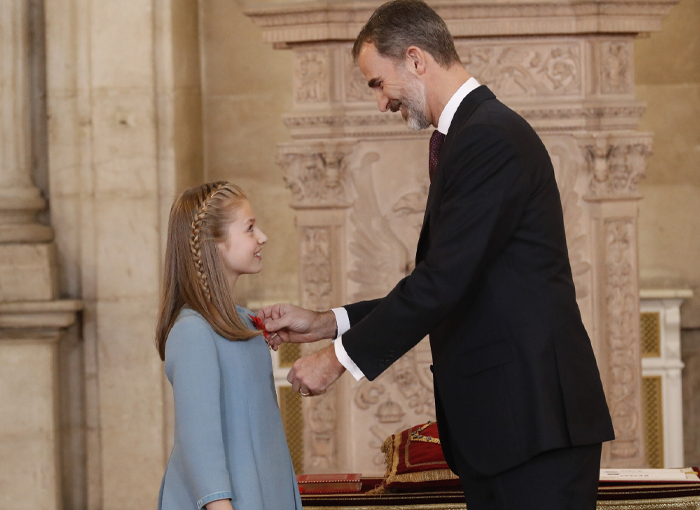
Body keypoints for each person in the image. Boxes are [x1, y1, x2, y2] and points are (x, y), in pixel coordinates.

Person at [258, 1, 615, 509]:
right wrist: (326, 322)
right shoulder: (472, 134)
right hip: (507, 429)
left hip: (535, 424)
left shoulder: (489, 137)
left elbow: (441, 283)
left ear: (415, 59)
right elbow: (447, 281)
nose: (381, 103)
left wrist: (337, 360)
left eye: (378, 83)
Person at [155, 182, 302, 510]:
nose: (262, 236)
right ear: (215, 244)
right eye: (250, 228)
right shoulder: (193, 331)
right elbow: (199, 444)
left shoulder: (247, 323)